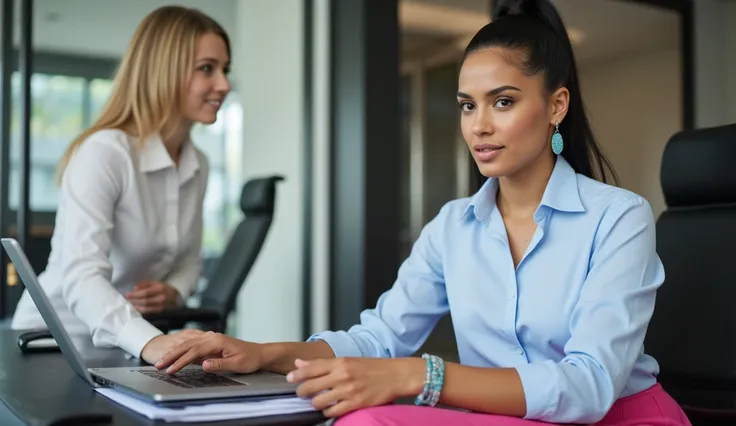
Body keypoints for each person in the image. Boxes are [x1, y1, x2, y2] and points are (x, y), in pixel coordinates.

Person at [155, 0, 691, 424]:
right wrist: (260, 352)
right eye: (467, 104)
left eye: (502, 101)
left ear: (556, 106)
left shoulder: (620, 217)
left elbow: (590, 386)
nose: (478, 125)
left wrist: (421, 376)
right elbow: (378, 339)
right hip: (508, 418)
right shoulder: (453, 227)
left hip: (617, 419)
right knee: (348, 413)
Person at [11, 6, 232, 365]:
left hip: (124, 349)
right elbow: (82, 275)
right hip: (50, 345)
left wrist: (173, 291)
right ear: (164, 71)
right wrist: (151, 343)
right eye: (207, 68)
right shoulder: (105, 152)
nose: (224, 84)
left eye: (225, 69)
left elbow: (190, 260)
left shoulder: (198, 164)